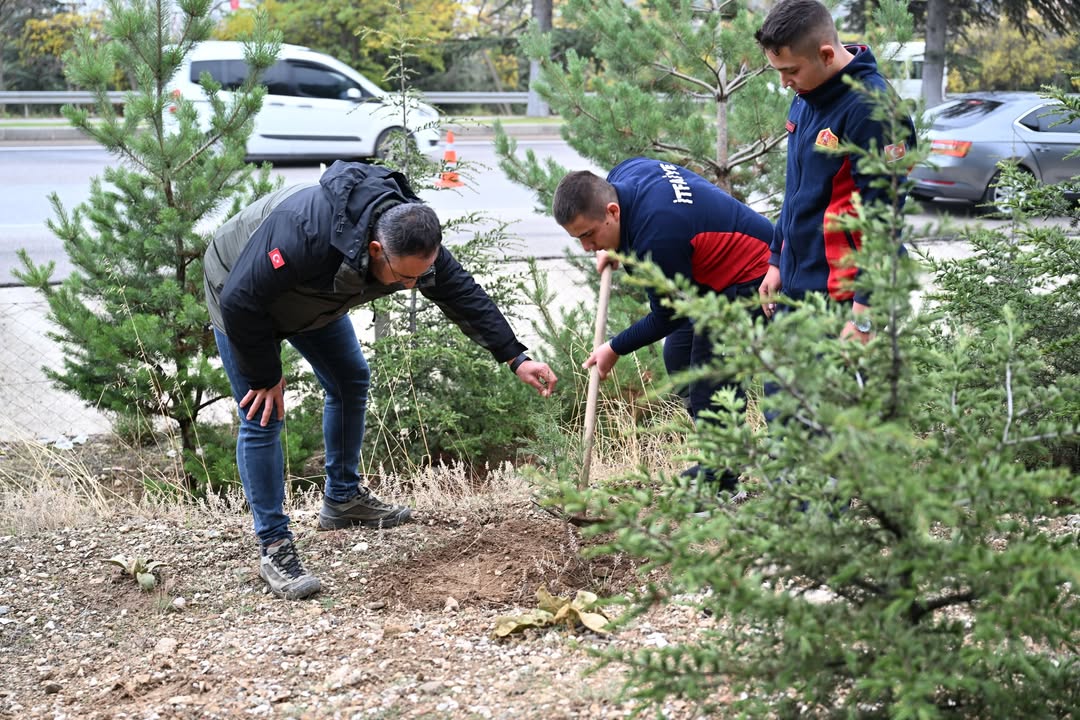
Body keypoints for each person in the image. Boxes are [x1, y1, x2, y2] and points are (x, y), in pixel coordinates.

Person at [204, 160, 558, 600]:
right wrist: (265, 374)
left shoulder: (412, 239)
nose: (413, 286)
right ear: (374, 249)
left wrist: (514, 356)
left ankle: (343, 498)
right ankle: (274, 547)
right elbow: (242, 298)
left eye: (421, 275)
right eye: (405, 277)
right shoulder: (303, 234)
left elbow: (462, 292)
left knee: (350, 378)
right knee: (263, 412)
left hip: (311, 295)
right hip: (237, 288)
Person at [553, 157, 774, 495]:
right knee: (680, 359)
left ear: (612, 212)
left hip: (751, 276)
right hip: (709, 278)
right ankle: (720, 459)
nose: (586, 247)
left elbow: (669, 315)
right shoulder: (624, 174)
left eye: (589, 235)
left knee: (708, 382)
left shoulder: (658, 234)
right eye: (579, 239)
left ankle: (722, 483)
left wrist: (615, 347)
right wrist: (614, 245)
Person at [754, 0, 916, 338]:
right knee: (781, 389)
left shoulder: (873, 110)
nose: (785, 82)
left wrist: (864, 315)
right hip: (796, 289)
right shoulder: (806, 93)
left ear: (827, 55)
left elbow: (885, 219)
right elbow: (797, 190)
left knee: (831, 392)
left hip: (844, 301)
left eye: (791, 70)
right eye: (778, 71)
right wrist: (775, 259)